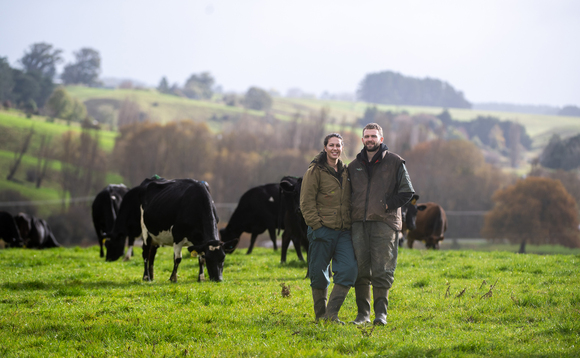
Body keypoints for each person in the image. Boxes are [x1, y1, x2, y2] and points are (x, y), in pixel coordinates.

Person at [348, 123, 415, 326]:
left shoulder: (395, 162)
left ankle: (380, 315)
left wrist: (387, 205)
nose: (370, 139)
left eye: (374, 136)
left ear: (381, 139)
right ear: (362, 140)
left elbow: (407, 192)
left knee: (382, 269)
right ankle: (363, 315)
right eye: (367, 136)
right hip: (359, 224)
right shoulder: (353, 166)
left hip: (385, 223)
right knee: (360, 270)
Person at [300, 133, 358, 324]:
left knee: (349, 269)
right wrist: (316, 226)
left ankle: (331, 314)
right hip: (322, 230)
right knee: (319, 274)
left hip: (343, 231)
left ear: (342, 148)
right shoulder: (315, 171)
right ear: (325, 147)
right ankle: (320, 316)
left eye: (338, 146)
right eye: (331, 145)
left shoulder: (346, 171)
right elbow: (306, 202)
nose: (335, 149)